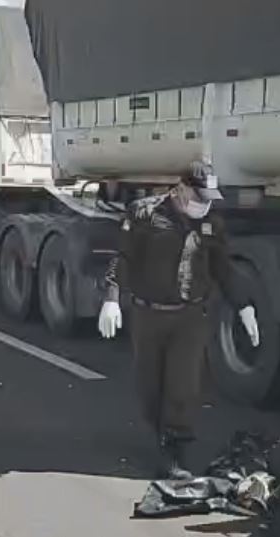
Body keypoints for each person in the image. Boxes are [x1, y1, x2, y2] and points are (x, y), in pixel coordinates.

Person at [97, 162, 260, 480]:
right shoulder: (144, 214)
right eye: (199, 197)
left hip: (190, 316)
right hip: (148, 314)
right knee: (149, 386)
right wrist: (111, 299)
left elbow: (223, 267)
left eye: (209, 198)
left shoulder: (212, 223)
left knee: (182, 385)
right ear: (181, 189)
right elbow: (124, 257)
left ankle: (175, 450)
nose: (204, 204)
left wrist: (244, 306)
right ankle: (159, 431)